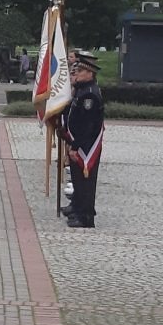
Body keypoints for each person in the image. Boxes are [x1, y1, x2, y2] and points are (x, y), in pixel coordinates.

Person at [62, 52, 104, 229]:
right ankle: (78, 209)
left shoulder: (89, 95)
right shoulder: (82, 90)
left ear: (90, 73)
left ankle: (86, 216)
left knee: (85, 182)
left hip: (86, 145)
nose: (76, 74)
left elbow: (87, 125)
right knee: (78, 180)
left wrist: (75, 144)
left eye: (80, 71)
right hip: (80, 143)